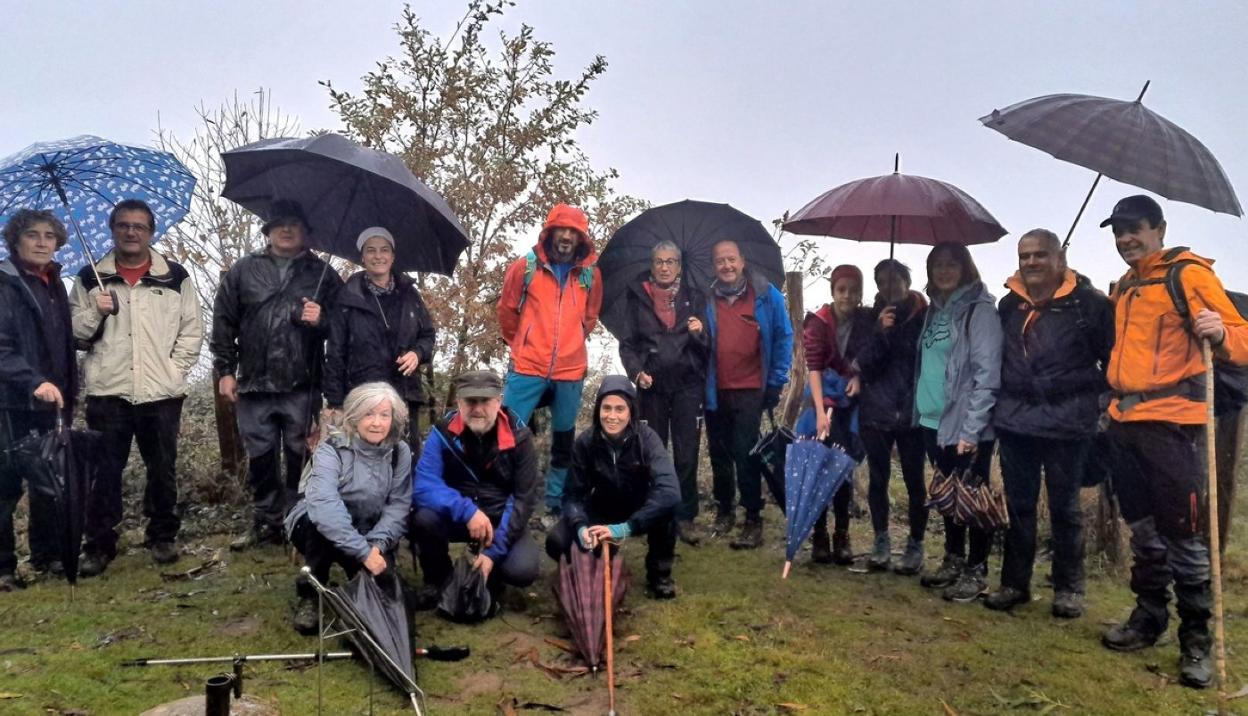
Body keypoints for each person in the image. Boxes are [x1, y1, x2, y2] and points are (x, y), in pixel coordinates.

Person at [1097, 195, 1248, 689]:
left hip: (1175, 425)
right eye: (1118, 231)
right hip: (1124, 420)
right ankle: (1149, 617)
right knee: (1142, 528)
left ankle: (1197, 642)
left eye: (1134, 229)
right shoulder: (1125, 285)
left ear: (1159, 228)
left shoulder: (1189, 275)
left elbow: (1243, 340)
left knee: (1184, 535)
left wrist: (1221, 332)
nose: (1125, 239)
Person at [68, 199, 204, 574]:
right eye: (124, 225)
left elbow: (192, 329)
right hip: (108, 391)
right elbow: (75, 335)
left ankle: (162, 537)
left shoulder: (174, 276)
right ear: (112, 229)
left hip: (161, 393)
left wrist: (175, 371)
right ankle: (99, 546)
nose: (131, 232)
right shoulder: (88, 277)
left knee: (162, 469)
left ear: (151, 232)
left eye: (139, 226)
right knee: (103, 474)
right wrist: (97, 309)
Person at [984, 229, 1113, 618]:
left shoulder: (1090, 305)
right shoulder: (1009, 305)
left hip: (1068, 423)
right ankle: (1014, 583)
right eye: (1025, 256)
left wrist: (1098, 401)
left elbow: (1113, 360)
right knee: (1019, 505)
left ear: (1060, 259)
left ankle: (1069, 587)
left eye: (1041, 255)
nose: (1032, 262)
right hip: (1016, 422)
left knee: (1065, 507)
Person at [211, 199, 343, 550]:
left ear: (306, 233)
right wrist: (225, 370)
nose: (286, 230)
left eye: (294, 224)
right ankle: (265, 523)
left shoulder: (324, 276)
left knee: (302, 457)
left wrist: (323, 320)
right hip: (254, 382)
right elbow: (224, 321)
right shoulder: (243, 270)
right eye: (279, 223)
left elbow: (344, 330)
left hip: (303, 383)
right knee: (260, 457)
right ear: (267, 230)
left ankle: (298, 521)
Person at [497, 204, 603, 524]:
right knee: (506, 435)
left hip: (570, 370)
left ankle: (555, 504)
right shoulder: (524, 267)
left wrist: (570, 344)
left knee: (563, 439)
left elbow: (589, 318)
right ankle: (506, 500)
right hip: (527, 365)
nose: (567, 236)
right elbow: (507, 311)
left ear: (581, 237)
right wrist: (523, 344)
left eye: (574, 231)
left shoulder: (590, 274)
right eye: (562, 230)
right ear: (550, 232)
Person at [284, 382, 412, 633]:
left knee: (387, 589)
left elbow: (399, 504)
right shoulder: (330, 450)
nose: (377, 423)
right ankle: (311, 593)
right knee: (317, 526)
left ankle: (359, 580)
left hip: (369, 529)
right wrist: (362, 552)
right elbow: (325, 508)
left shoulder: (400, 452)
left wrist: (377, 545)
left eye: (384, 415)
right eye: (369, 414)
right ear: (354, 417)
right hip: (318, 524)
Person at [914, 242, 1003, 602]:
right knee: (948, 496)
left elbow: (987, 374)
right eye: (937, 264)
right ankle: (952, 558)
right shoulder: (934, 310)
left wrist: (972, 429)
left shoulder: (979, 313)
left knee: (973, 497)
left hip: (966, 425)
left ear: (966, 268)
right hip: (931, 422)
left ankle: (976, 568)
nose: (944, 270)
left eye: (952, 264)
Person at [409, 370, 540, 613]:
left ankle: (492, 573)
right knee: (423, 518)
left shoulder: (520, 436)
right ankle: (437, 579)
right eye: (470, 401)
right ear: (459, 402)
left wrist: (494, 551)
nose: (477, 408)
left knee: (523, 571)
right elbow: (424, 485)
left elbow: (523, 498)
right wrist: (467, 511)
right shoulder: (442, 432)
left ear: (499, 401)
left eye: (485, 401)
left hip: (501, 517)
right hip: (459, 516)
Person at [546, 376, 682, 598]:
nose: (612, 416)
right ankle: (599, 554)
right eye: (606, 408)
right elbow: (572, 495)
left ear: (631, 412)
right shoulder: (585, 442)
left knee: (667, 509)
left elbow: (670, 491)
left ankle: (660, 574)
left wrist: (626, 528)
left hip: (639, 506)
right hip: (603, 506)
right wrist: (580, 526)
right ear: (598, 410)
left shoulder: (647, 439)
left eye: (620, 409)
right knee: (557, 542)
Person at [0, 210, 76, 590]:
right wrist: (34, 382)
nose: (43, 242)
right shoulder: (4, 282)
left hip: (52, 402)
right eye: (33, 235)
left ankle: (46, 557)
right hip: (10, 404)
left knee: (50, 481)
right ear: (16, 240)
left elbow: (62, 344)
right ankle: (4, 570)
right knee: (5, 488)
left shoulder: (55, 282)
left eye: (50, 236)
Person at [704, 239, 793, 550]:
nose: (726, 266)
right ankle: (724, 511)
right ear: (713, 266)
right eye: (719, 261)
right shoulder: (705, 298)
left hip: (751, 388)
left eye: (731, 259)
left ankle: (753, 517)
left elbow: (784, 337)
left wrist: (777, 381)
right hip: (714, 389)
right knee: (718, 454)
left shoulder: (767, 295)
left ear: (742, 261)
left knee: (746, 453)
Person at [618, 241, 708, 546]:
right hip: (652, 386)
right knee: (650, 453)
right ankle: (651, 515)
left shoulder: (695, 297)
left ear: (680, 267)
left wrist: (700, 333)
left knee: (686, 454)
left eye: (671, 262)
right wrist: (635, 372)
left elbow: (708, 348)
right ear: (652, 265)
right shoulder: (637, 296)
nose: (665, 267)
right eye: (659, 262)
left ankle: (685, 517)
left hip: (688, 386)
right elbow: (628, 343)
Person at [324, 226, 436, 454]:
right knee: (362, 459)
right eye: (371, 250)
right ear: (362, 256)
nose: (378, 256)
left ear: (393, 256)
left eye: (384, 250)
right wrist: (335, 402)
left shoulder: (410, 295)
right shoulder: (347, 298)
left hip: (404, 393)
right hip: (361, 395)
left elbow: (428, 336)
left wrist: (417, 353)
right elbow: (335, 352)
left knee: (404, 458)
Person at [855, 259, 929, 574]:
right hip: (876, 410)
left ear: (907, 280)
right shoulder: (869, 318)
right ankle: (881, 540)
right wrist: (881, 332)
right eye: (882, 280)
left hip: (913, 412)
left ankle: (915, 544)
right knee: (878, 478)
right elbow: (862, 364)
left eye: (895, 279)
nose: (890, 286)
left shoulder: (925, 316)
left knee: (915, 481)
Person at [800, 264, 873, 564]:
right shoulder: (818, 322)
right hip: (820, 400)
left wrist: (859, 377)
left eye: (853, 290)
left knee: (841, 469)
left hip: (848, 405)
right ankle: (819, 534)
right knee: (816, 467)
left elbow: (868, 356)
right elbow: (814, 368)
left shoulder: (865, 322)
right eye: (841, 290)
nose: (847, 296)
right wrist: (819, 413)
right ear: (833, 292)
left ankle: (842, 534)